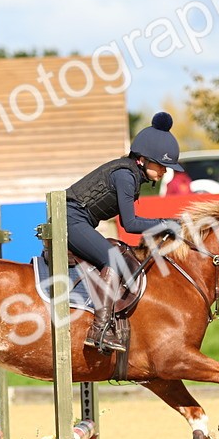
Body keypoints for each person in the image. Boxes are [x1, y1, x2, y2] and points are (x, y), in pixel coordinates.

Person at [67, 112, 183, 353]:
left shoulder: (131, 173)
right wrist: (166, 224)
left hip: (78, 220)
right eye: (162, 165)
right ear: (143, 159)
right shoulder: (125, 175)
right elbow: (129, 224)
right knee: (113, 258)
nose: (164, 172)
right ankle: (99, 330)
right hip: (70, 219)